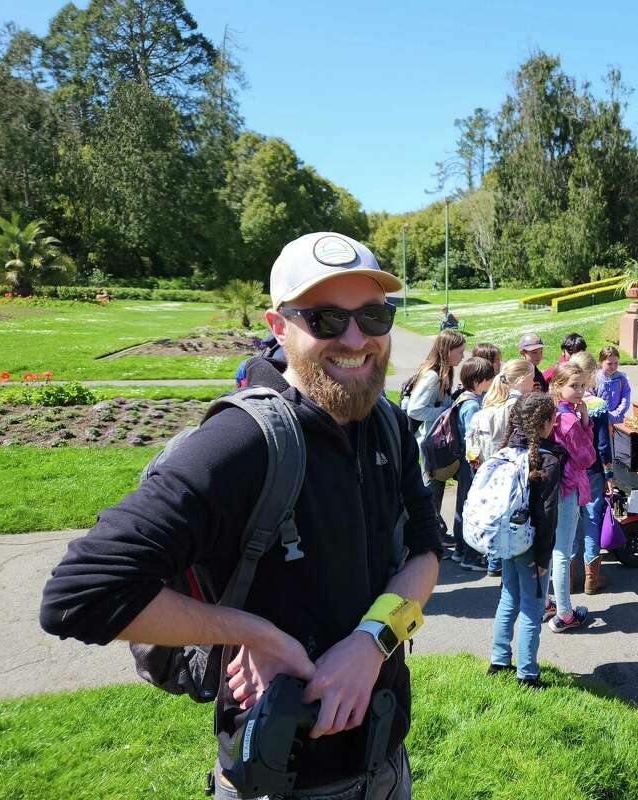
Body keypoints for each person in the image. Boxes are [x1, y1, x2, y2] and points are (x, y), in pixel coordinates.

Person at [39, 232, 440, 799]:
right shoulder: (245, 442)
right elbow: (78, 595)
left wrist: (372, 641)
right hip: (279, 780)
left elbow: (426, 551)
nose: (357, 338)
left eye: (374, 315)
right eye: (325, 318)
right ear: (279, 327)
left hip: (387, 763)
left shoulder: (390, 426)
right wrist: (252, 632)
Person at [488, 392, 565, 686]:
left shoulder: (507, 449)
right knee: (533, 609)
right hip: (530, 544)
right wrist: (542, 559)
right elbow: (546, 516)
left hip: (506, 538)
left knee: (508, 597)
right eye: (553, 417)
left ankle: (498, 661)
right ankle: (528, 675)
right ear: (544, 423)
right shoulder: (547, 460)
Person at [546, 362, 596, 631]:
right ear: (558, 386)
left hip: (549, 486)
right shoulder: (569, 420)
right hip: (567, 487)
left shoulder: (552, 412)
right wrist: (586, 422)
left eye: (582, 386)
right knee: (562, 551)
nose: (579, 391)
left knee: (548, 547)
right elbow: (588, 457)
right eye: (573, 386)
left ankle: (546, 602)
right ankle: (565, 613)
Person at [405, 329, 467, 547]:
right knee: (431, 489)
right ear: (447, 351)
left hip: (434, 441)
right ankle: (429, 539)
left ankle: (435, 534)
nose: (462, 356)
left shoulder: (442, 372)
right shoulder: (433, 376)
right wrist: (446, 409)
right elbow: (415, 410)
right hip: (429, 442)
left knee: (436, 487)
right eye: (459, 352)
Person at [569, 351, 615, 595]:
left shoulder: (563, 401)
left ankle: (570, 575)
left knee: (570, 521)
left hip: (569, 471)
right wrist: (609, 475)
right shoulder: (597, 405)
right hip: (593, 470)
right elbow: (603, 446)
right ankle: (591, 578)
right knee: (592, 519)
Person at [453, 356, 497, 573]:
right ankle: (471, 556)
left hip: (464, 462)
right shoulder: (472, 405)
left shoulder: (463, 398)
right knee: (473, 509)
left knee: (463, 506)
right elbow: (472, 439)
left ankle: (460, 550)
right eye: (490, 378)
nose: (492, 382)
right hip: (471, 463)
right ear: (480, 381)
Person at [596, 345, 632, 424]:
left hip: (617, 420)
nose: (613, 366)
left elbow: (625, 400)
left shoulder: (622, 379)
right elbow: (590, 398)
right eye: (609, 364)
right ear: (601, 362)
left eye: (616, 363)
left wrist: (616, 414)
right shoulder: (595, 379)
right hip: (599, 420)